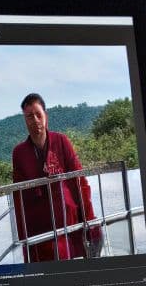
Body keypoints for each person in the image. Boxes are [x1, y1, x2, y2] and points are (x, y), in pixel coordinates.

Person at [10, 93, 102, 261]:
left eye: (38, 114)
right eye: (29, 116)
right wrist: (24, 240)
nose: (35, 120)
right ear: (25, 121)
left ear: (46, 116)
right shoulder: (19, 153)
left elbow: (80, 181)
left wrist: (89, 220)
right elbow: (19, 198)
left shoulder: (61, 141)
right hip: (40, 228)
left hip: (69, 220)